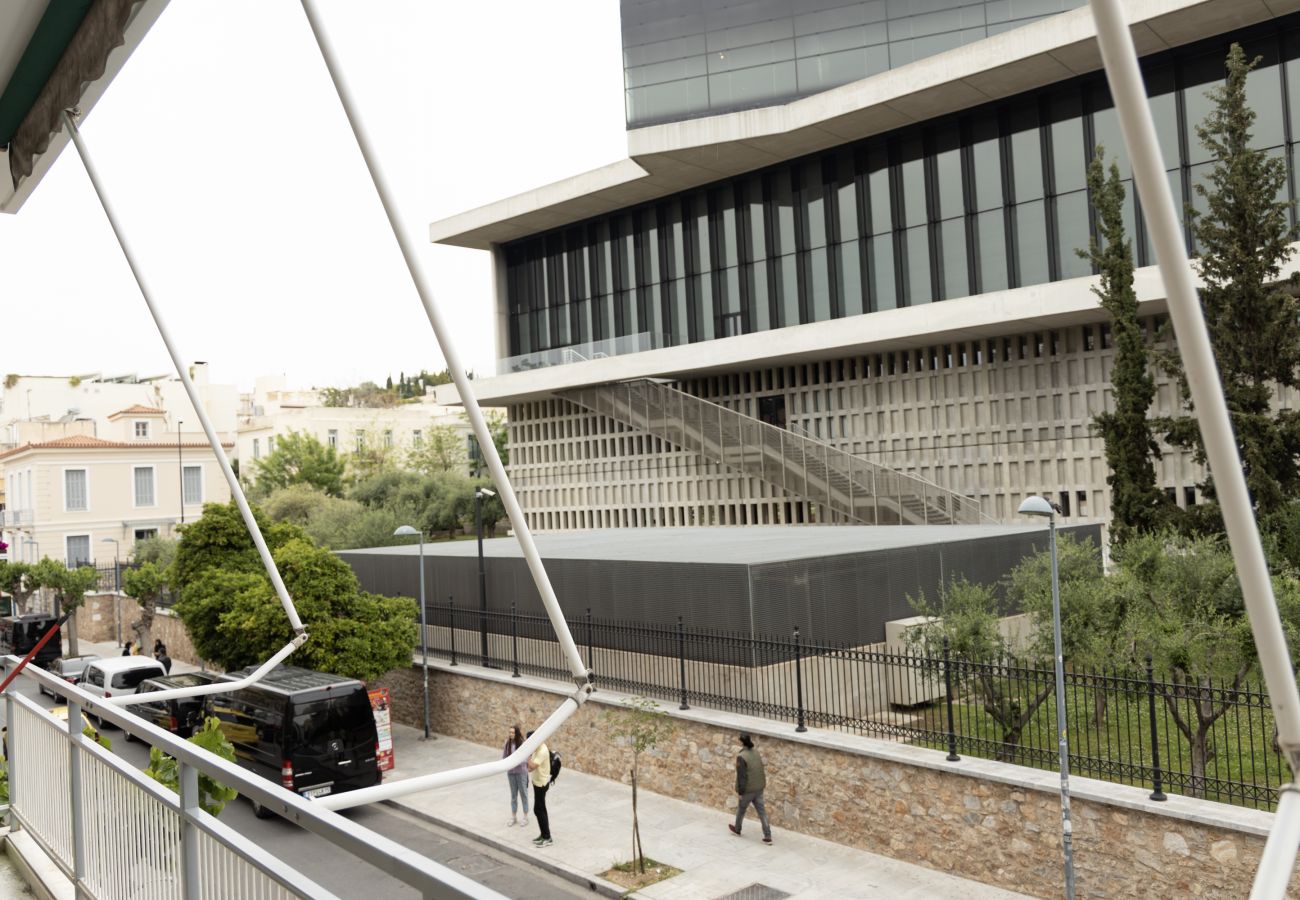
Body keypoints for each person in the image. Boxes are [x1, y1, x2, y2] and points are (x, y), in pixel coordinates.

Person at [728, 731, 772, 844]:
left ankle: (737, 829)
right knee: (762, 812)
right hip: (759, 788)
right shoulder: (756, 753)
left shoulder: (741, 757)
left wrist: (741, 792)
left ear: (742, 743)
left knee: (741, 809)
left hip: (748, 790)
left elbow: (742, 776)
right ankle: (768, 835)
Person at [525, 729, 552, 847]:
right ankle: (544, 834)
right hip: (537, 783)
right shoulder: (536, 748)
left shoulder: (542, 751)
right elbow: (530, 769)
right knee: (540, 809)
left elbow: (531, 765)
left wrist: (527, 756)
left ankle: (547, 837)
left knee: (539, 810)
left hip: (541, 784)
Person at [502, 724, 529, 827]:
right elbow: (504, 757)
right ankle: (513, 816)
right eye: (510, 732)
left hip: (521, 772)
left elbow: (526, 758)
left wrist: (515, 762)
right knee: (513, 795)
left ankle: (525, 817)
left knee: (524, 795)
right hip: (511, 773)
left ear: (516, 733)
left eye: (512, 732)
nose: (511, 734)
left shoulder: (522, 744)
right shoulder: (507, 743)